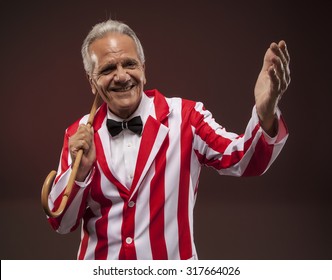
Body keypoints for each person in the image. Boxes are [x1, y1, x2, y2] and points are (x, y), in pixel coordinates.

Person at [46, 19, 290, 260]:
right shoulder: (79, 134)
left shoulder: (187, 118)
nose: (121, 76)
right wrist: (79, 174)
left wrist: (265, 113)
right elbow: (61, 222)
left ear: (143, 69)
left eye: (129, 64)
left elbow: (244, 159)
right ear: (92, 81)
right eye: (108, 69)